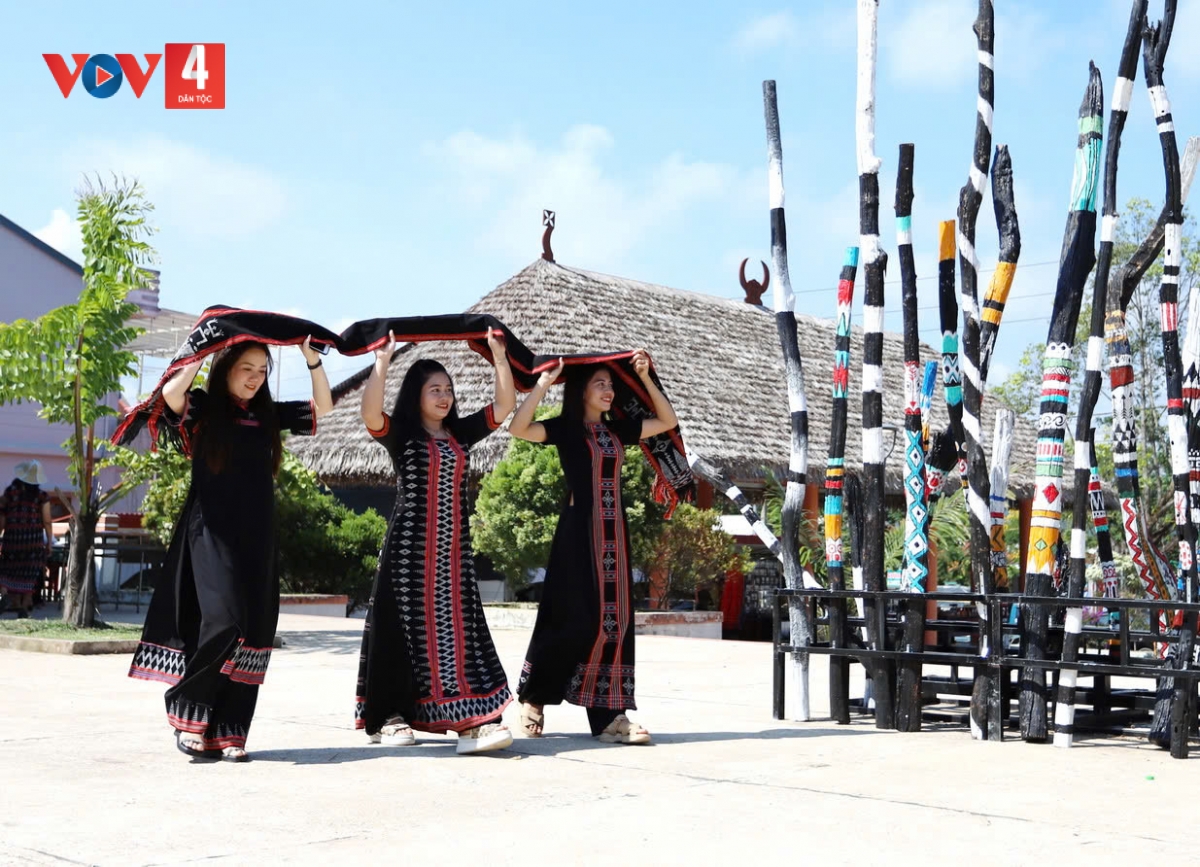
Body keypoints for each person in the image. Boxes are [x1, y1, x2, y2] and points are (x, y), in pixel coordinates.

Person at [127, 338, 332, 762]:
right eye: (246, 369)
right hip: (210, 532)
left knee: (254, 631)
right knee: (224, 621)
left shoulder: (267, 414)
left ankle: (228, 731)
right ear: (225, 369)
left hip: (257, 536)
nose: (255, 378)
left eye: (262, 371)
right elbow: (172, 394)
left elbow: (323, 407)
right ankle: (189, 713)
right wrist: (200, 351)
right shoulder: (204, 408)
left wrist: (311, 358)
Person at [354, 328, 516, 754]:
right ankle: (390, 718)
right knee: (400, 636)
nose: (444, 397)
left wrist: (499, 357)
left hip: (453, 555)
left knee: (458, 636)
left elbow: (504, 407)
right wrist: (382, 362)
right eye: (435, 390)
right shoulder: (401, 434)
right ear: (417, 395)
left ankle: (470, 719)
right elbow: (370, 414)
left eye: (448, 389)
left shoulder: (460, 434)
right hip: (407, 554)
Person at [508, 350, 677, 745]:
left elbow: (667, 421)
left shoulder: (619, 430)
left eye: (610, 384)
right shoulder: (566, 429)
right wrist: (544, 384)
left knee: (613, 620)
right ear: (581, 391)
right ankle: (534, 698)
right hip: (577, 534)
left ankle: (610, 716)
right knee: (568, 617)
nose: (608, 390)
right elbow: (518, 428)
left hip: (614, 535)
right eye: (599, 383)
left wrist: (645, 377)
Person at [0, 461, 54, 618]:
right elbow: (47, 521)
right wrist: (49, 542)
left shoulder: (9, 493)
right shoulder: (42, 496)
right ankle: (25, 605)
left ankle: (11, 599)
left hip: (12, 540)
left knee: (10, 571)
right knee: (29, 574)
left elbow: (1, 518)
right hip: (33, 542)